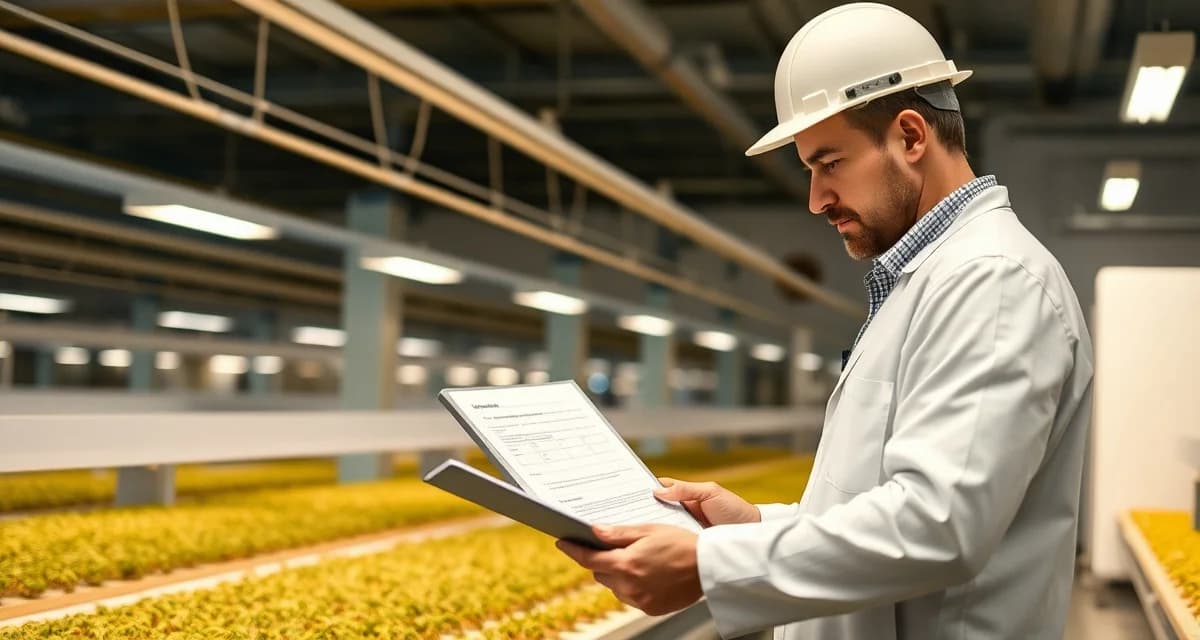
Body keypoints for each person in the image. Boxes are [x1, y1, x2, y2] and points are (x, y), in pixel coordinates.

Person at [555, 3, 1095, 639]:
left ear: (911, 136)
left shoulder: (994, 281)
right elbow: (881, 503)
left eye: (829, 163)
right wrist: (756, 526)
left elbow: (939, 525)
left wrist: (709, 566)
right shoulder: (927, 281)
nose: (815, 200)